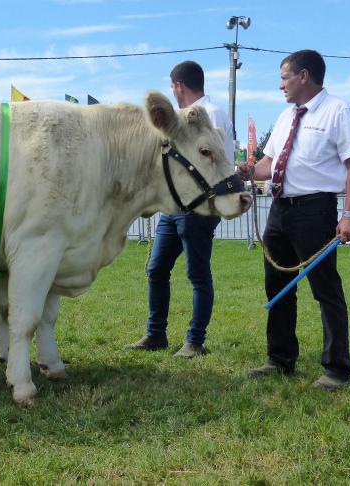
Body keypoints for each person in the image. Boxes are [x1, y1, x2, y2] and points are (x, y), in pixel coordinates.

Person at [236, 50, 350, 391]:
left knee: (325, 289)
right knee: (277, 285)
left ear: (304, 76)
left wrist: (349, 215)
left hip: (314, 210)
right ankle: (280, 359)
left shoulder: (338, 110)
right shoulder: (284, 117)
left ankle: (337, 368)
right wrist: (250, 170)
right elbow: (267, 164)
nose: (281, 85)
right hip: (280, 210)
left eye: (284, 77)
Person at [125, 60, 234, 358]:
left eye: (173, 87)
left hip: (199, 207)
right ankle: (156, 333)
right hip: (175, 207)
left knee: (197, 274)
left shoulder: (212, 115)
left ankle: (195, 341)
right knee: (157, 268)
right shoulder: (182, 118)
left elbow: (218, 162)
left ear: (178, 86)